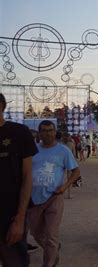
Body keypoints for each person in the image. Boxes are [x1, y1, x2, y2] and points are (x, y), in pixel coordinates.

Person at [28, 120, 80, 266]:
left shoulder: (63, 151)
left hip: (54, 197)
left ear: (55, 131)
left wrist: (65, 186)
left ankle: (49, 263)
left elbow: (76, 171)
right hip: (34, 199)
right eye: (44, 130)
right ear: (39, 133)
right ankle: (53, 249)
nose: (48, 133)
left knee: (51, 234)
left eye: (50, 130)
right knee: (36, 233)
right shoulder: (32, 150)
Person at [0, 93, 38, 267]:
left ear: (2, 106)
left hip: (10, 215)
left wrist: (20, 219)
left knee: (15, 262)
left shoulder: (18, 133)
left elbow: (27, 176)